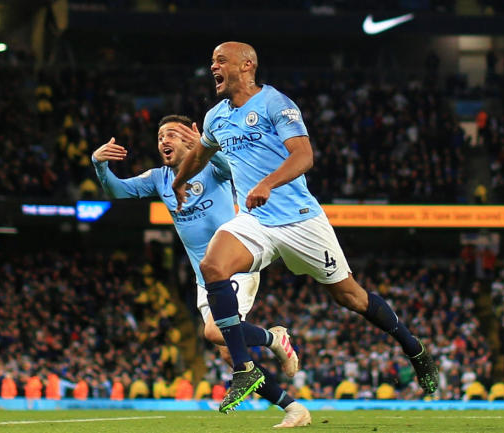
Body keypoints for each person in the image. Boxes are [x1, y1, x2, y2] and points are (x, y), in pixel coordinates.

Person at [172, 41, 439, 413]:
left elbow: (304, 155)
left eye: (221, 60)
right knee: (213, 266)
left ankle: (415, 350)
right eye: (212, 61)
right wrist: (177, 181)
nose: (213, 67)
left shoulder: (275, 103)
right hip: (256, 220)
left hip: (300, 220)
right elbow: (199, 156)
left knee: (351, 297)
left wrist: (267, 183)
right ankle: (244, 368)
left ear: (247, 65)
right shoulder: (216, 116)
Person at [92, 114, 311, 428]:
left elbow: (229, 169)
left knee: (213, 332)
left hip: (235, 263)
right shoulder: (159, 178)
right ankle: (293, 408)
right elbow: (118, 191)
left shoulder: (210, 167)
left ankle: (273, 338)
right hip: (205, 278)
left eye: (170, 135)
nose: (163, 142)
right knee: (228, 354)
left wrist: (207, 148)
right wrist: (99, 164)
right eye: (159, 137)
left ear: (187, 140)